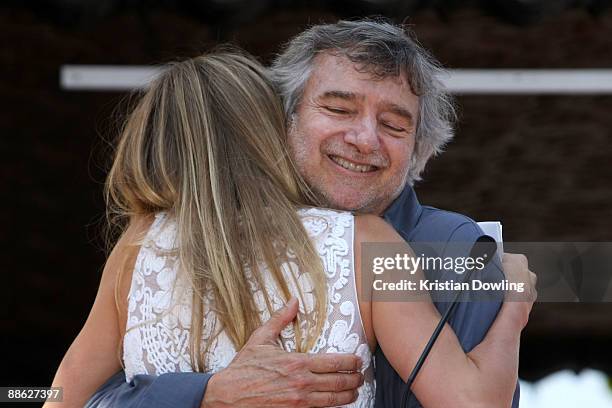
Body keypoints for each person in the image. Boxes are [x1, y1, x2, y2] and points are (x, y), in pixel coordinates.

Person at [76, 19, 532, 408]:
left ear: (420, 151)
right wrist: (208, 392)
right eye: (337, 108)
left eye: (394, 125)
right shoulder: (151, 244)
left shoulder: (456, 246)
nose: (365, 140)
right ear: (282, 120)